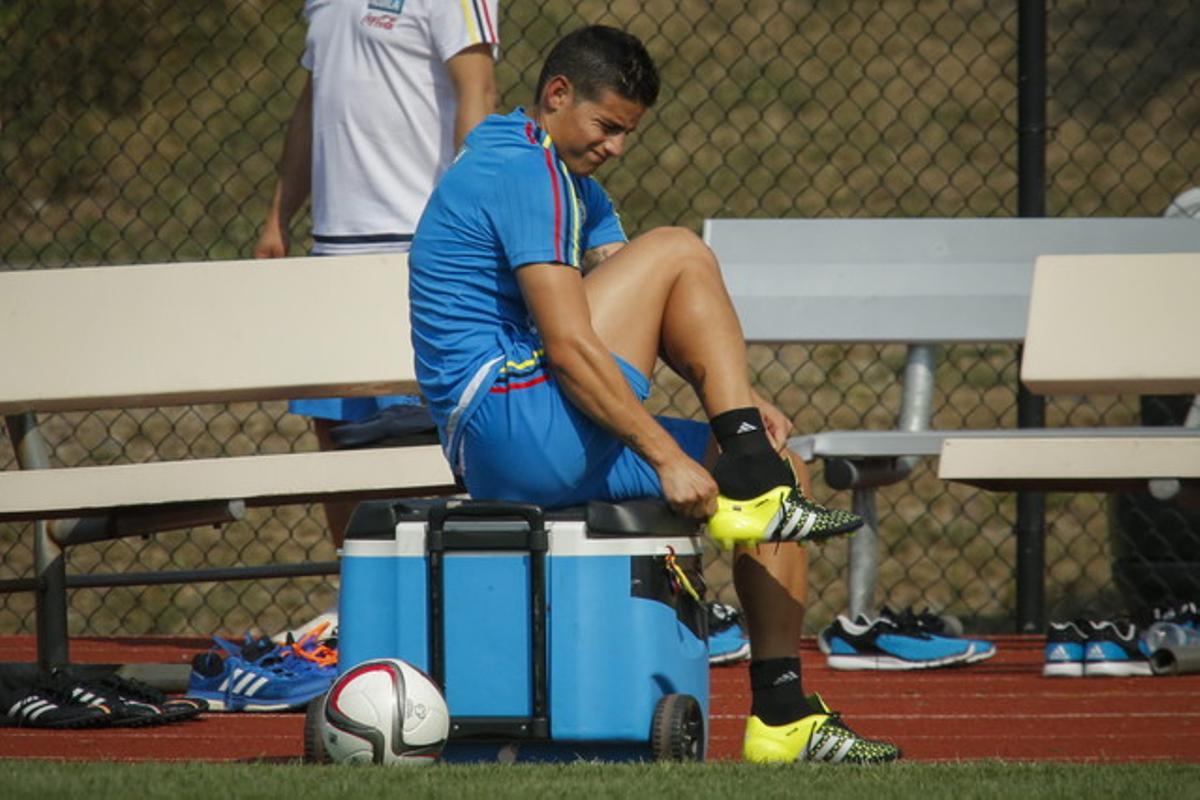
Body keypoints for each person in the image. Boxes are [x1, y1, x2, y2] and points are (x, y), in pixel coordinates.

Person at [409, 25, 900, 764]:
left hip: (543, 426)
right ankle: (744, 463)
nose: (615, 147)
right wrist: (669, 454)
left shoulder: (575, 186)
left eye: (627, 134)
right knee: (678, 246)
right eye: (606, 127)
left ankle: (782, 715)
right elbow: (576, 349)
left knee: (777, 462)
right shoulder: (521, 169)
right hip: (508, 424)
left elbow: (654, 309)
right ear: (556, 95)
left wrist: (737, 408)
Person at [253, 0, 499, 550]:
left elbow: (478, 91)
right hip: (332, 253)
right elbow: (313, 101)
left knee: (415, 441)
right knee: (336, 439)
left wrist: (463, 215)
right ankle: (355, 594)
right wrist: (279, 215)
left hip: (418, 247)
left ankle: (428, 604)